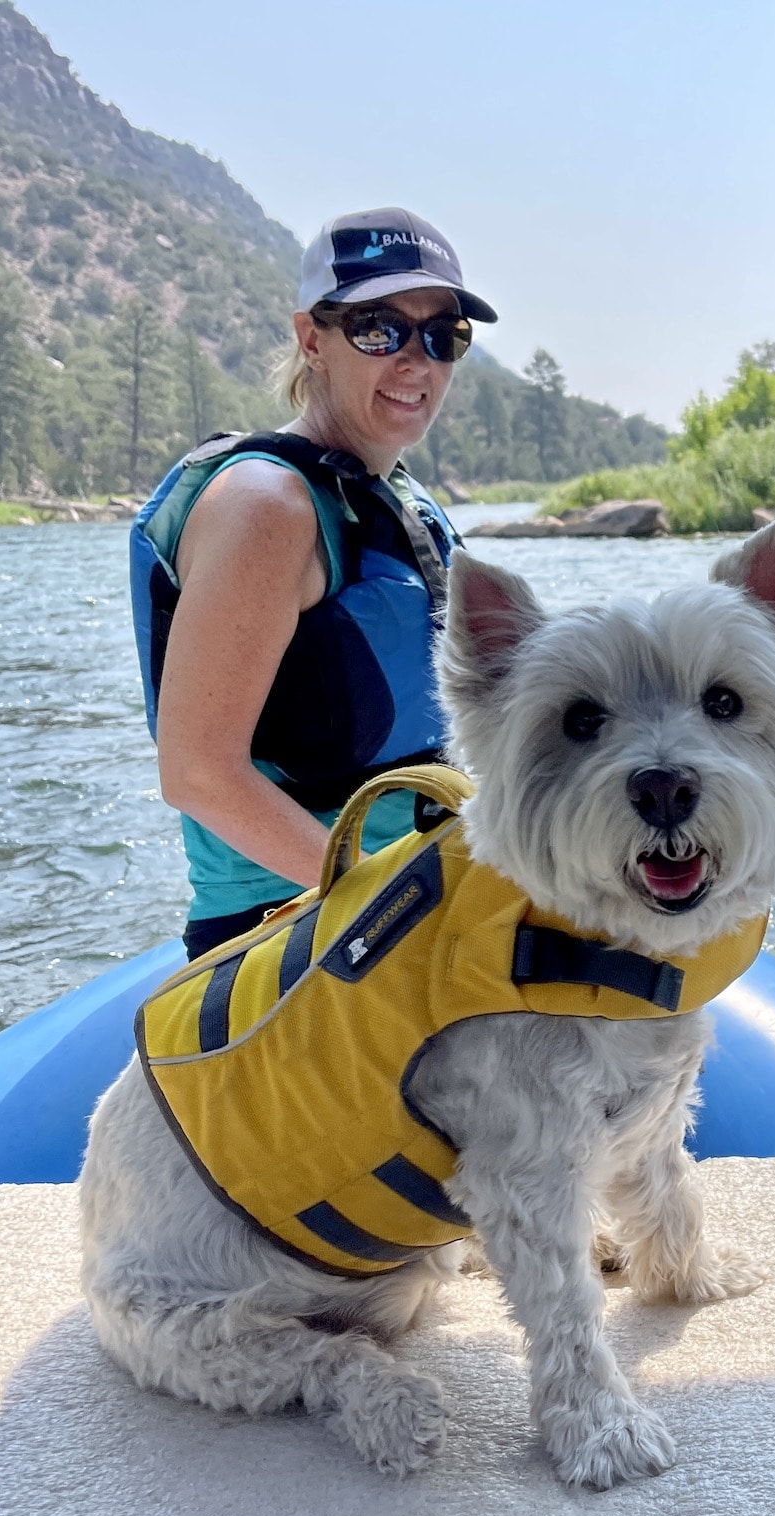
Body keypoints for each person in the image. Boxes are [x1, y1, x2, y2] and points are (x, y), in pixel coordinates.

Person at [129, 208, 497, 959]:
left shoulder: (394, 499)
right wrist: (395, 906)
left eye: (442, 335)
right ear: (312, 341)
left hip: (420, 888)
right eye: (378, 328)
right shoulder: (267, 507)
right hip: (299, 925)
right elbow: (199, 773)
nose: (416, 360)